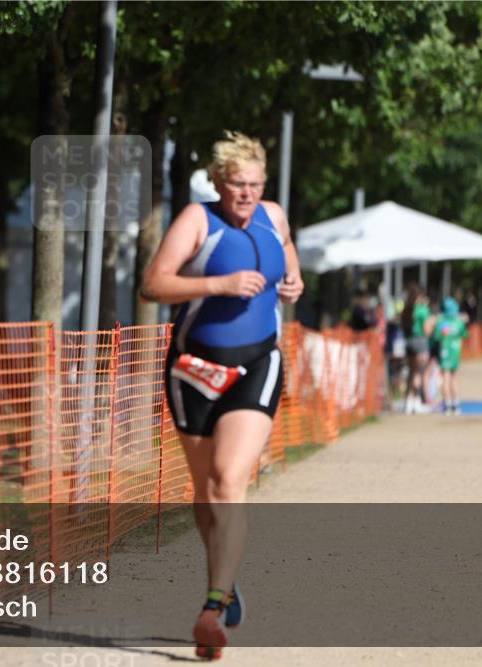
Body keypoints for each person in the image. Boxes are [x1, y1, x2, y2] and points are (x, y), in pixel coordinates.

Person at [141, 131, 303, 660]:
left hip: (258, 362)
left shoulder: (273, 216)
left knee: (229, 480)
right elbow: (154, 284)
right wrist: (220, 284)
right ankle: (225, 582)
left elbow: (287, 253)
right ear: (218, 182)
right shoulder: (197, 220)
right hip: (194, 368)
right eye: (237, 184)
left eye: (255, 184)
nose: (247, 194)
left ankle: (212, 607)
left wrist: (294, 281)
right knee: (205, 490)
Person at [401, 284, 433, 414]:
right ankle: (416, 402)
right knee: (419, 374)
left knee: (412, 373)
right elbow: (427, 330)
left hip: (409, 342)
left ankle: (409, 402)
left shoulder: (407, 309)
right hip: (420, 342)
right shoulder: (423, 310)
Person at [433, 297, 468, 414]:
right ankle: (456, 404)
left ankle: (447, 405)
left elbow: (437, 336)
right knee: (454, 378)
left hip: (445, 352)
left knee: (446, 378)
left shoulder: (442, 321)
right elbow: (464, 334)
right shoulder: (458, 322)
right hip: (456, 352)